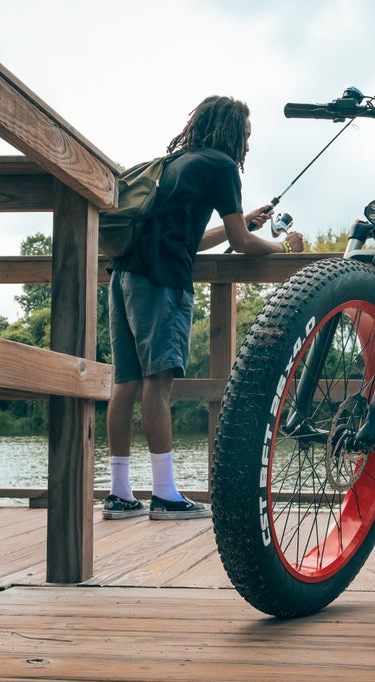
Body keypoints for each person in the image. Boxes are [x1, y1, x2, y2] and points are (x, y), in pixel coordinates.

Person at [103, 95, 304, 520]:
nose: (247, 146)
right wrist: (284, 246)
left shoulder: (179, 163)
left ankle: (120, 495)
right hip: (159, 281)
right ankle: (165, 495)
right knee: (158, 385)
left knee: (126, 384)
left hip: (123, 276)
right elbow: (245, 247)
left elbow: (198, 238)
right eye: (246, 136)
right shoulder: (222, 167)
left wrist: (243, 221)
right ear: (232, 132)